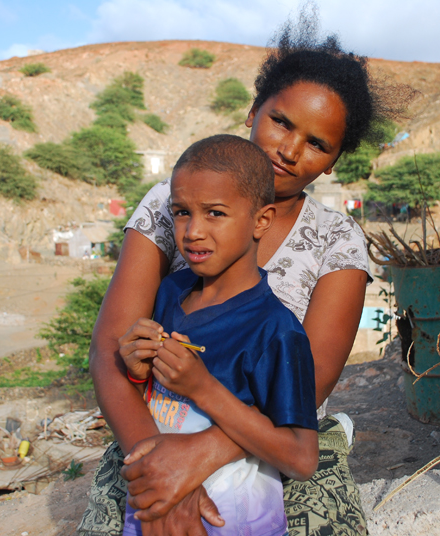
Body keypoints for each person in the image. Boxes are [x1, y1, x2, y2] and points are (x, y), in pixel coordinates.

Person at [78, 11, 412, 536]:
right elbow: (108, 348)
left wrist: (195, 460)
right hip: (155, 424)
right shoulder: (174, 201)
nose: (290, 149)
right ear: (254, 110)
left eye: (317, 144)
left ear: (333, 161)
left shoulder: (336, 240)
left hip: (280, 436)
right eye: (281, 121)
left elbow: (310, 382)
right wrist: (158, 463)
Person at [121, 134, 319, 536]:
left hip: (234, 518)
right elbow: (163, 404)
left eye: (214, 213)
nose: (192, 231)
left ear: (261, 220)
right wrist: (138, 370)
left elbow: (301, 457)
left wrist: (203, 387)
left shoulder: (275, 331)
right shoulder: (170, 292)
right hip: (156, 500)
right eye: (181, 212)